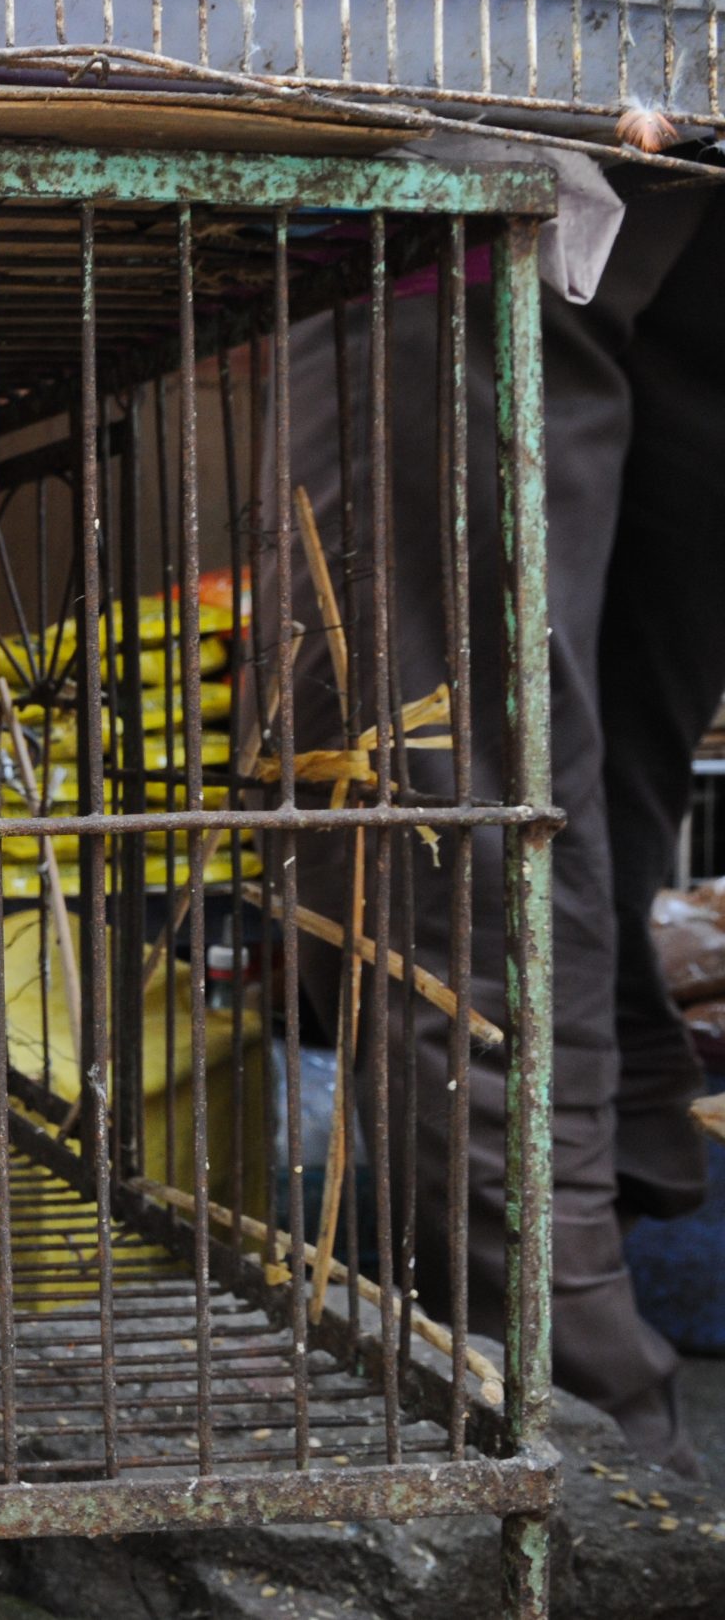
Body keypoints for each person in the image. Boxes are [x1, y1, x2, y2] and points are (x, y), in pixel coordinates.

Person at [281, 176, 723, 1475]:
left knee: (453, 804)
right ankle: (593, 1207)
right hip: (666, 116)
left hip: (470, 167)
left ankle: (564, 1418)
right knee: (577, 774)